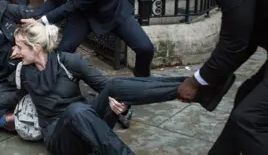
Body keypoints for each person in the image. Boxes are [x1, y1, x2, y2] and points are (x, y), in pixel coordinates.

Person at [14, 22, 228, 155]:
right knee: (76, 110)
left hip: (89, 122)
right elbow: (2, 93)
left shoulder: (67, 61)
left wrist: (122, 109)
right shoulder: (23, 71)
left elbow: (105, 87)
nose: (16, 50)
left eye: (19, 47)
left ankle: (197, 87)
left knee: (113, 86)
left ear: (35, 48)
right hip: (60, 138)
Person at [178, 0, 268, 155]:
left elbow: (233, 45)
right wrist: (211, 78)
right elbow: (245, 43)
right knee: (246, 94)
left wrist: (197, 81)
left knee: (249, 120)